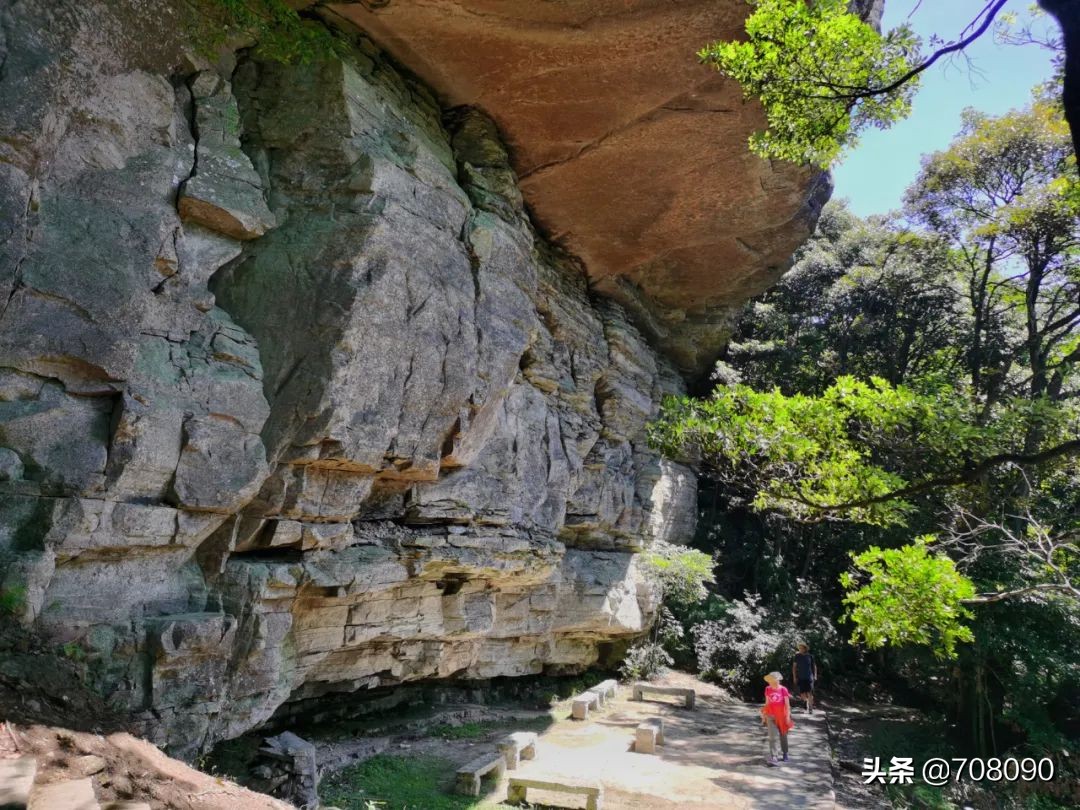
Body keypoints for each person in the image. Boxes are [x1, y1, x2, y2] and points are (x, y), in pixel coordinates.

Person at [760, 671, 793, 765]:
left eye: (772, 680)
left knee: (783, 735)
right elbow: (767, 703)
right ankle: (774, 756)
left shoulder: (783, 689)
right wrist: (764, 715)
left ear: (777, 680)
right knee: (772, 737)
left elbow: (787, 705)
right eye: (769, 680)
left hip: (782, 716)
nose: (770, 682)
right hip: (771, 715)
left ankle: (785, 753)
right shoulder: (767, 689)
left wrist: (787, 717)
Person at [791, 643, 818, 714]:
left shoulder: (810, 656)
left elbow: (814, 666)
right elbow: (794, 667)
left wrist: (815, 675)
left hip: (809, 677)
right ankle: (806, 702)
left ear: (805, 648)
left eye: (801, 648)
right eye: (799, 648)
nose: (800, 649)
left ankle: (810, 708)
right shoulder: (797, 656)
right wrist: (794, 677)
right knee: (802, 694)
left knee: (809, 692)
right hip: (801, 677)